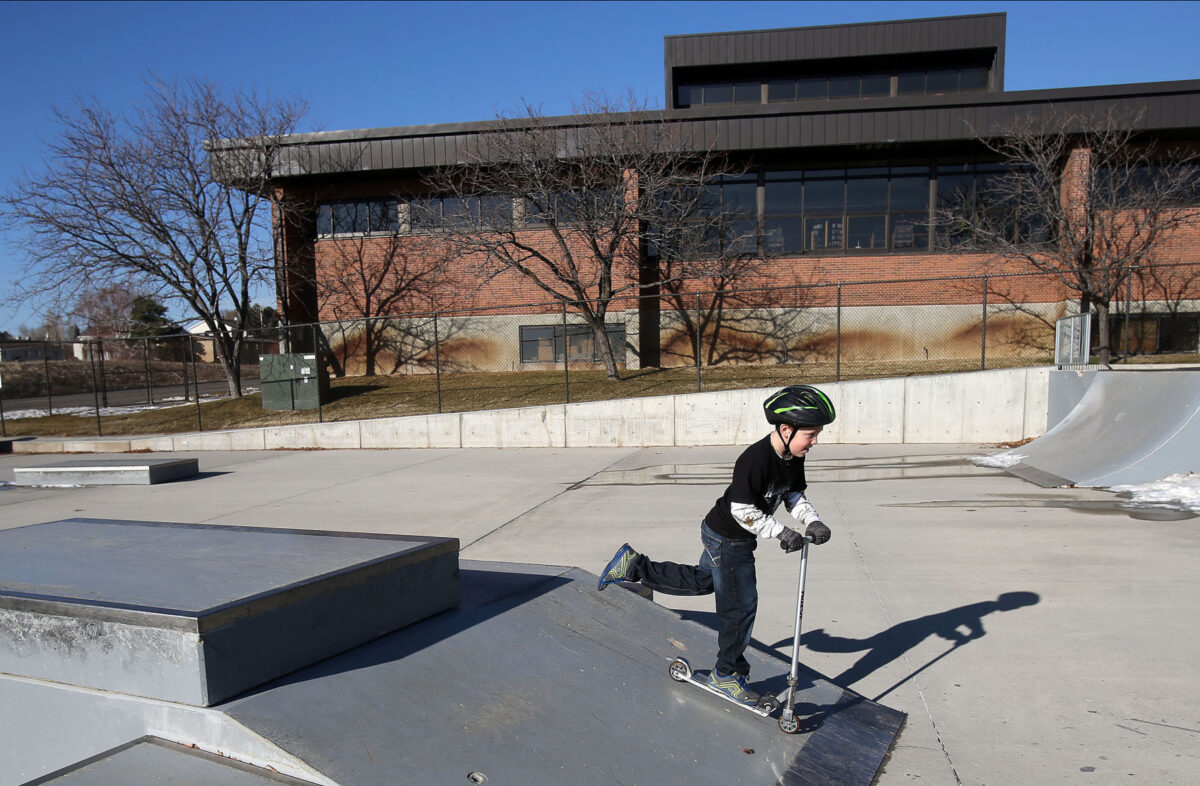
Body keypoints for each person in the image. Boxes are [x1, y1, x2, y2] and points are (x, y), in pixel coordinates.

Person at [596, 384, 836, 706]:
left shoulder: (792, 457)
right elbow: (742, 510)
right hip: (729, 538)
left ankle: (633, 565)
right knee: (740, 607)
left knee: (702, 581)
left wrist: (812, 521)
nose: (815, 441)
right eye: (811, 434)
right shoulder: (755, 460)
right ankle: (726, 675)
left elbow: (792, 494)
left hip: (723, 533)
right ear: (785, 429)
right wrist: (779, 531)